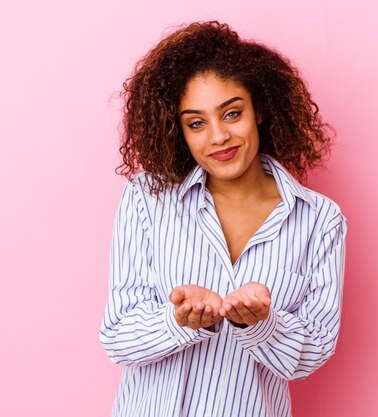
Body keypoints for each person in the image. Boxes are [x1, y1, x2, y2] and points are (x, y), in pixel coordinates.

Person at [99, 21, 347, 417]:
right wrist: (178, 320)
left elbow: (313, 351)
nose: (218, 137)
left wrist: (262, 324)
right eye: (196, 123)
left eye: (232, 114)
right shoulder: (148, 198)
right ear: (178, 130)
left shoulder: (320, 220)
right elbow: (118, 336)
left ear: (259, 110)